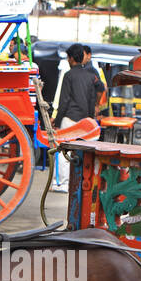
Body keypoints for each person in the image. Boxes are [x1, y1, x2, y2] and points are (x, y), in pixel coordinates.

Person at [51, 43, 105, 192]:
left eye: (68, 57)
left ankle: (63, 183)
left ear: (71, 58)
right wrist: (91, 116)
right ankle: (81, 183)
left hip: (69, 118)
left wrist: (56, 119)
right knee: (83, 153)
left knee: (63, 152)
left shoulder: (69, 75)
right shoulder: (91, 76)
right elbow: (93, 97)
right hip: (84, 120)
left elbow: (64, 100)